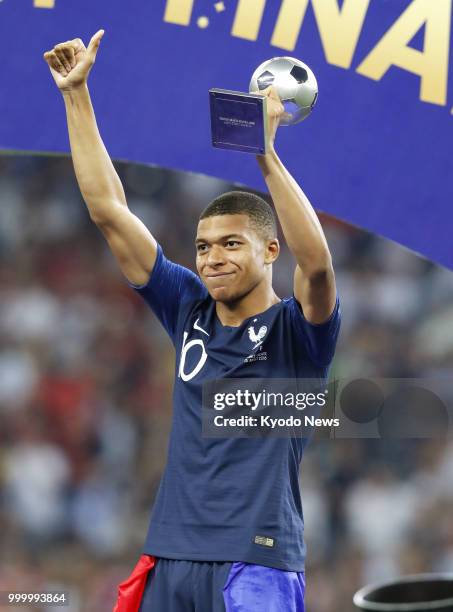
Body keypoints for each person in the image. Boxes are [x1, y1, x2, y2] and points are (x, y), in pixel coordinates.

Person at [43, 30, 341, 612]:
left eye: (231, 244)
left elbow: (320, 264)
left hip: (255, 560)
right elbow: (109, 211)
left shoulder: (298, 333)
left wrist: (265, 153)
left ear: (269, 251)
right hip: (169, 557)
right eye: (203, 247)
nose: (211, 258)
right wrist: (76, 95)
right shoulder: (188, 308)